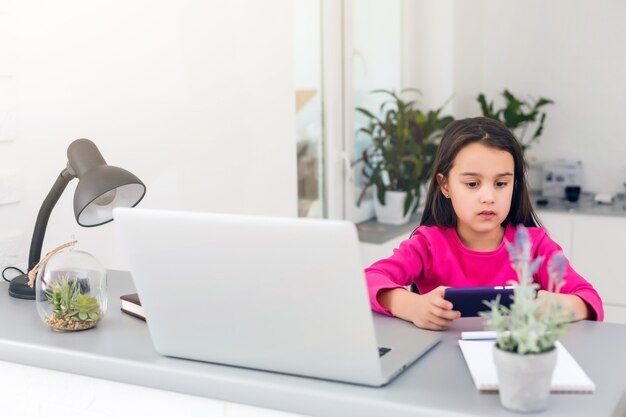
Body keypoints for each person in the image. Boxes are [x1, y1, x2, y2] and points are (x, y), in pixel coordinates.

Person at [365, 117, 604, 330]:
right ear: (445, 185)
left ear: (514, 185)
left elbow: (590, 300)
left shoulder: (535, 246)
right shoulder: (428, 244)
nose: (488, 197)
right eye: (472, 184)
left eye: (501, 184)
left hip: (516, 366)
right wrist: (410, 305)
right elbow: (367, 280)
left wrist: (559, 306)